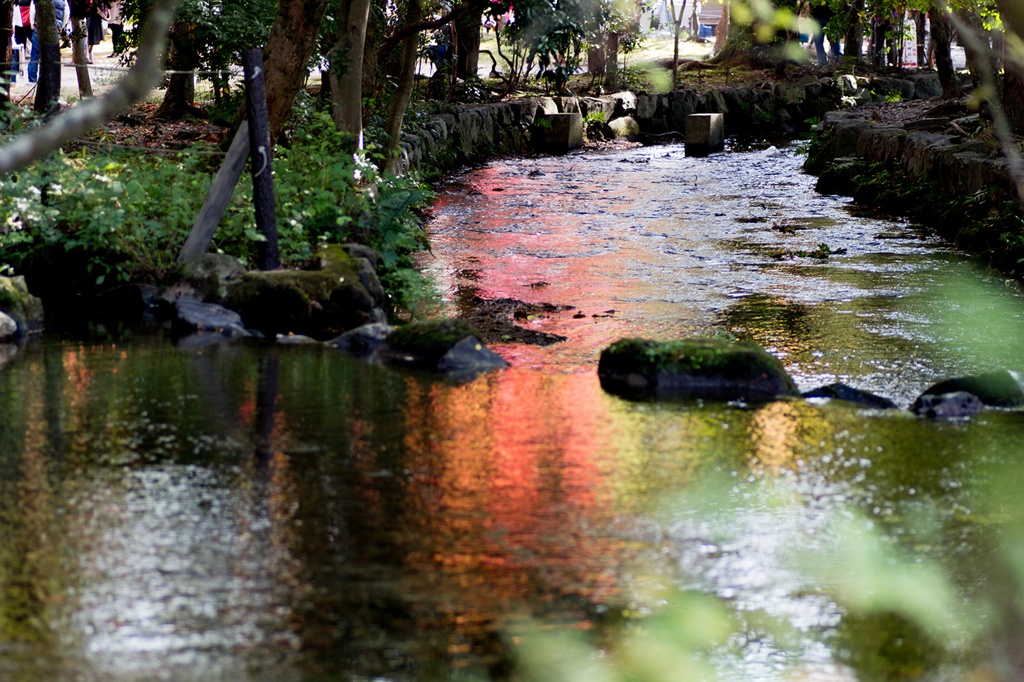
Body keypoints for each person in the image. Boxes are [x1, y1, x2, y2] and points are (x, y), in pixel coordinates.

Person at [28, 0, 69, 83]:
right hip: (55, 29)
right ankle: (49, 79)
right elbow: (66, 14)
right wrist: (61, 26)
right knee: (51, 55)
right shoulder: (63, 0)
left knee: (35, 55)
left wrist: (32, 23)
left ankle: (32, 79)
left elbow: (32, 9)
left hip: (39, 27)